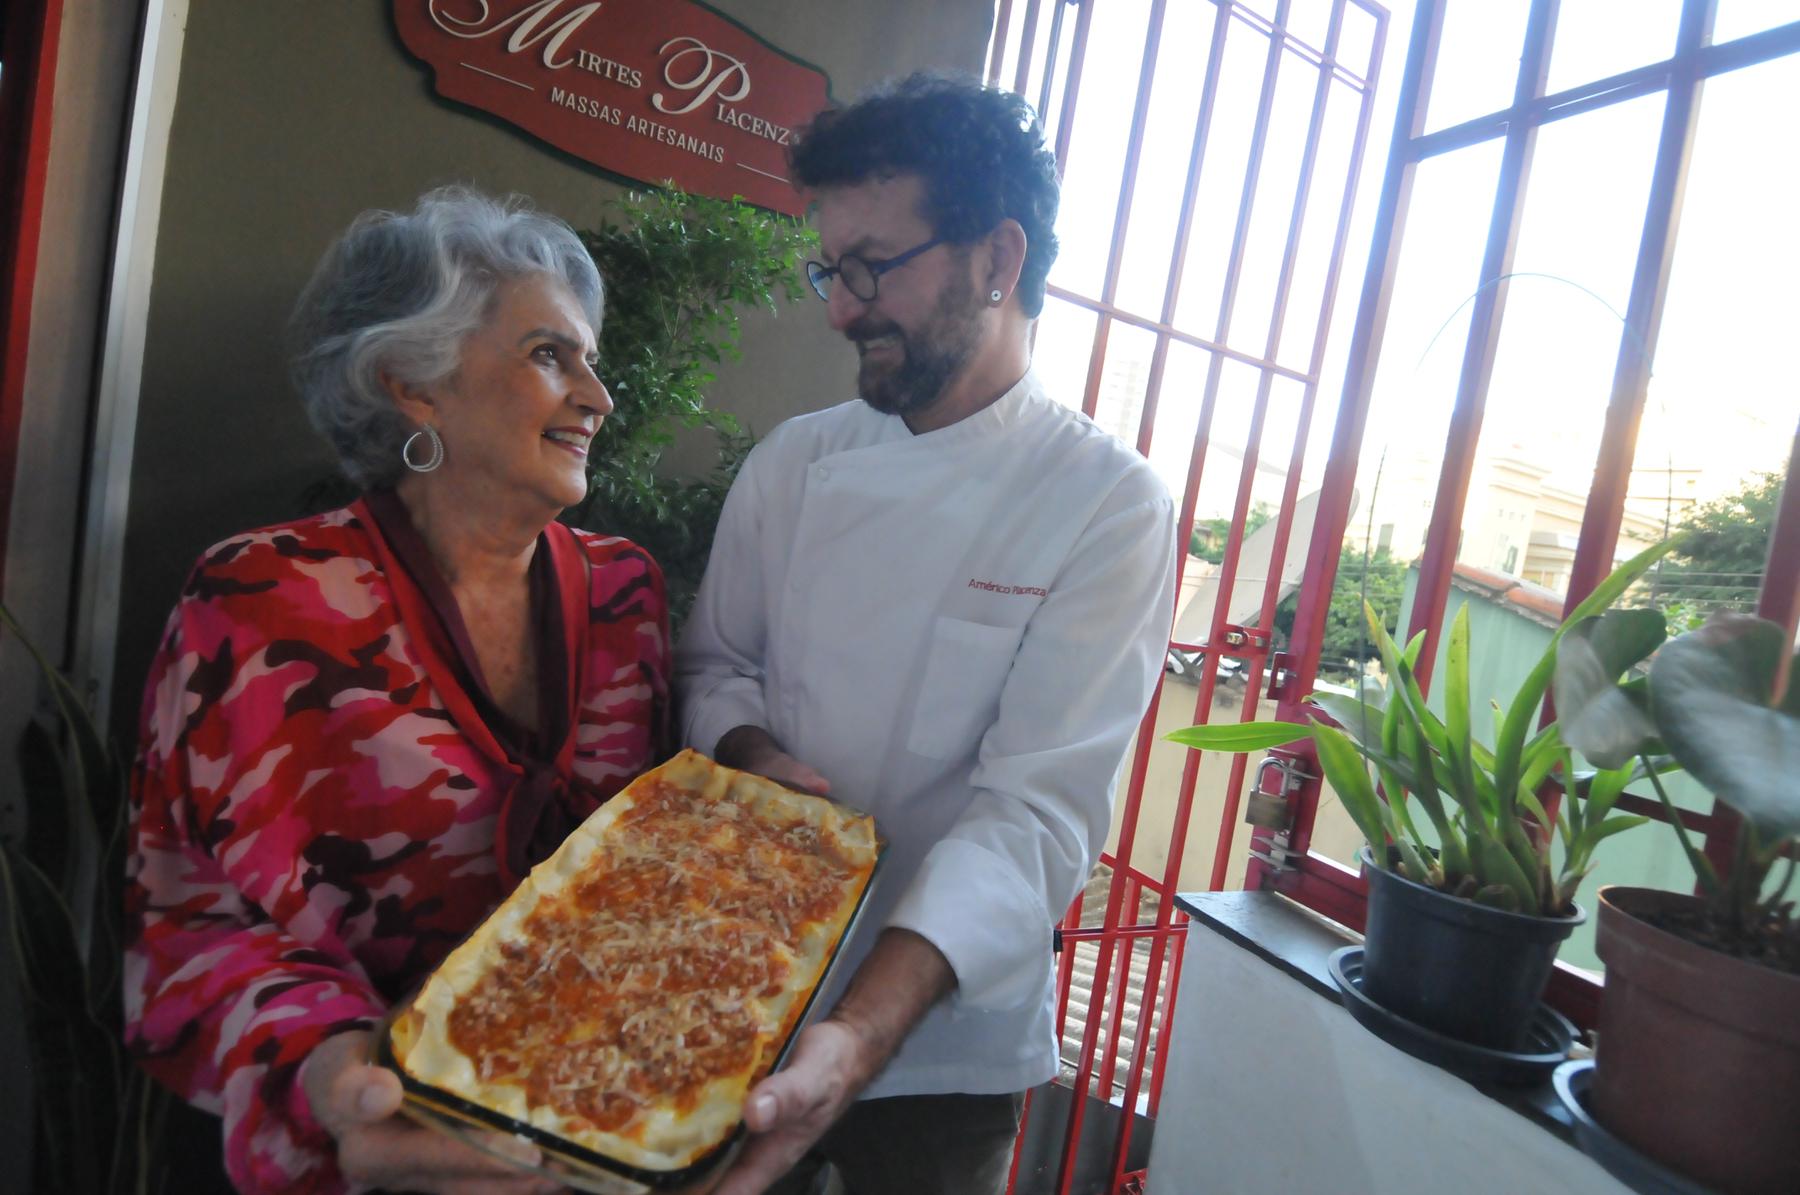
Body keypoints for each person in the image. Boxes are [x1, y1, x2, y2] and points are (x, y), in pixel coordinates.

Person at [676, 75, 1178, 1195]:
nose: (839, 308)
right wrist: (754, 752)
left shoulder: (1105, 502)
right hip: (745, 985)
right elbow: (717, 667)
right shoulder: (797, 464)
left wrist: (858, 1032)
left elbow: (1035, 813)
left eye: (870, 266)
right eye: (829, 269)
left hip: (946, 1048)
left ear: (996, 260)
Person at [124, 187, 670, 1195]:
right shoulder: (262, 596)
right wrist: (333, 1071)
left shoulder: (624, 595)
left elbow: (638, 880)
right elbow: (185, 922)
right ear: (413, 387)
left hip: (575, 1145)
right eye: (550, 355)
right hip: (346, 1147)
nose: (598, 396)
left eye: (591, 360)